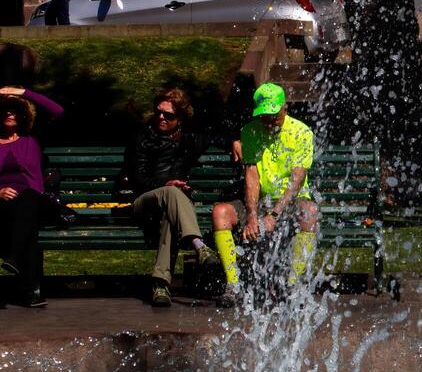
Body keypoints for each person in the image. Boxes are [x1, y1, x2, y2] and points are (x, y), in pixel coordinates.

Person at [210, 83, 318, 307]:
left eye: (273, 114)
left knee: (310, 212)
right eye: (264, 116)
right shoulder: (250, 131)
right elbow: (252, 176)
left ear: (284, 107)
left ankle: (292, 284)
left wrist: (274, 215)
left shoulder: (301, 132)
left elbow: (296, 180)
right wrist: (251, 215)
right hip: (259, 201)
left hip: (290, 201)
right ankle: (233, 285)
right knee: (221, 212)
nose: (269, 121)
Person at [119, 87, 221, 307]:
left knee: (170, 216)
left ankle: (160, 284)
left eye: (169, 115)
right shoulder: (143, 137)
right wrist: (165, 184)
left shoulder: (190, 139)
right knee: (171, 192)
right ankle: (198, 245)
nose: (161, 117)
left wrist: (234, 141)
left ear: (181, 118)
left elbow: (218, 127)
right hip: (143, 202)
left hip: (173, 208)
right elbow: (138, 179)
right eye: (158, 112)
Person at [0, 86, 63, 308]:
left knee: (26, 198)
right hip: (4, 206)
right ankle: (32, 292)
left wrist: (22, 93)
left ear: (23, 113)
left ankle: (14, 256)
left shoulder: (32, 139)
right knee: (22, 218)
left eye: (14, 109)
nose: (9, 113)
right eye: (4, 109)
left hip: (37, 203)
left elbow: (58, 111)